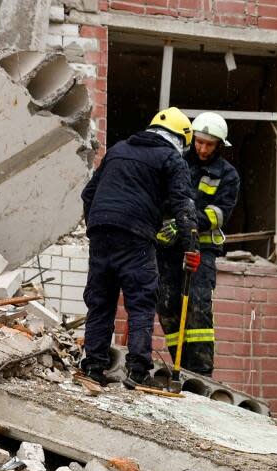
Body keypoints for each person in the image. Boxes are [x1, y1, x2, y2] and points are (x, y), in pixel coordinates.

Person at [79, 107, 198, 388]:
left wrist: (97, 225)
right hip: (136, 235)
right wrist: (191, 244)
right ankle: (138, 371)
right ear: (181, 139)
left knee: (101, 300)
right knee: (141, 300)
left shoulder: (119, 150)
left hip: (101, 230)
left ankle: (94, 367)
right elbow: (184, 205)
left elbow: (88, 193)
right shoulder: (171, 158)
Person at [156, 112, 240, 376]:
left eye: (209, 144)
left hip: (203, 249)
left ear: (219, 146)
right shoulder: (176, 161)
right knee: (167, 304)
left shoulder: (227, 175)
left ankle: (201, 372)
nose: (203, 149)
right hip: (169, 249)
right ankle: (180, 365)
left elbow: (218, 214)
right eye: (200, 142)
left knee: (198, 305)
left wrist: (184, 224)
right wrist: (160, 226)